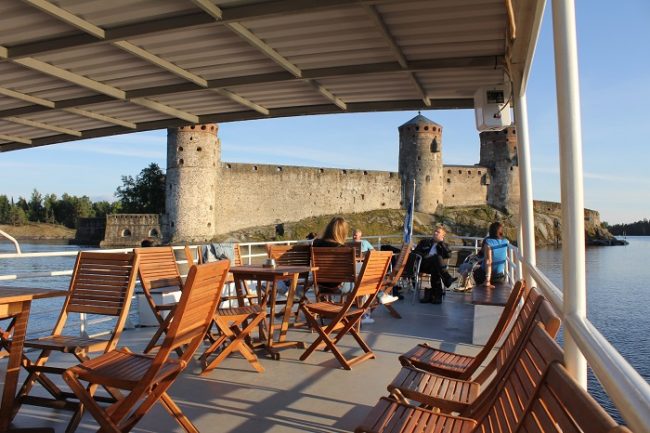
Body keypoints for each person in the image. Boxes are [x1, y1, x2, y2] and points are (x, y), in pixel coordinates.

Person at [413, 226, 457, 303]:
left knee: (435, 267)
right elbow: (415, 252)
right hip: (423, 264)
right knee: (436, 258)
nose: (435, 233)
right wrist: (426, 256)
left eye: (438, 232)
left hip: (436, 266)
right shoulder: (424, 242)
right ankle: (447, 278)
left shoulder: (445, 245)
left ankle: (437, 295)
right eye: (435, 231)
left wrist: (441, 243)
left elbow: (448, 255)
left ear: (443, 236)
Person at [480, 221, 510, 288]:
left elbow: (488, 261)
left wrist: (487, 280)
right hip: (499, 276)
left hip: (485, 275)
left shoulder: (488, 242)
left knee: (476, 272)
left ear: (490, 231)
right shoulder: (506, 241)